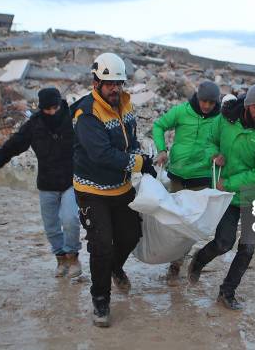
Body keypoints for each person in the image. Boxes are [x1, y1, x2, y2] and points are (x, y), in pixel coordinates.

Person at [72, 52, 156, 327]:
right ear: (95, 83)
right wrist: (140, 163)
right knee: (101, 245)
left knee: (131, 234)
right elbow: (102, 155)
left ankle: (114, 268)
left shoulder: (126, 105)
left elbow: (130, 141)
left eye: (119, 83)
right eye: (109, 84)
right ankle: (100, 301)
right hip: (91, 189)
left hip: (120, 187)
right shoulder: (86, 113)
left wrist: (143, 160)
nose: (115, 89)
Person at [187, 82, 255, 310]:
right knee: (223, 243)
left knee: (247, 248)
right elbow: (210, 140)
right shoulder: (225, 119)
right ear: (248, 104)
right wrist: (214, 154)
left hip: (253, 197)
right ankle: (198, 261)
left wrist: (228, 182)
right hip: (228, 197)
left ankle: (227, 292)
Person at [0, 88, 82, 279]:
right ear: (41, 108)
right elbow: (12, 146)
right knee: (52, 227)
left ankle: (73, 257)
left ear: (60, 104)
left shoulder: (71, 117)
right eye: (48, 109)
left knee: (71, 219)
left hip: (70, 180)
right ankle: (61, 260)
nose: (52, 112)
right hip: (46, 184)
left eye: (55, 107)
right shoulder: (34, 125)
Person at [153, 80, 221, 285]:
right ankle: (169, 255)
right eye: (203, 101)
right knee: (173, 220)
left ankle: (176, 264)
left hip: (201, 178)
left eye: (211, 102)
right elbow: (159, 125)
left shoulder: (220, 119)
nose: (206, 106)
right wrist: (162, 149)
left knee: (191, 224)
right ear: (197, 98)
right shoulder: (181, 111)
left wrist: (218, 155)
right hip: (177, 175)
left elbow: (224, 142)